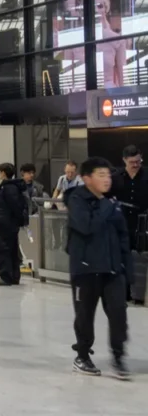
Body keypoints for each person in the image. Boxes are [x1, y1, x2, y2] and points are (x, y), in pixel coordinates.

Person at [66, 157, 132, 380]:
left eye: (108, 174)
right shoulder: (76, 200)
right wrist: (106, 205)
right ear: (86, 179)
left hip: (113, 270)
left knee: (118, 314)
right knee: (84, 315)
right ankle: (82, 356)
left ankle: (118, 357)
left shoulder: (111, 203)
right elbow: (86, 226)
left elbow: (123, 237)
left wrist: (126, 269)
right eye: (101, 174)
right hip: (85, 270)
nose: (107, 179)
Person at [0, 162, 29, 286]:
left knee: (3, 249)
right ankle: (14, 276)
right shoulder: (9, 186)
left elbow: (15, 206)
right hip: (9, 223)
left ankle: (6, 276)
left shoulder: (8, 187)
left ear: (3, 173)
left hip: (7, 223)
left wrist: (14, 220)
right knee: (12, 250)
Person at [112, 145, 148, 240]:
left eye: (138, 161)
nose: (135, 165)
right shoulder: (116, 177)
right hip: (121, 223)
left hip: (143, 223)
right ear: (124, 160)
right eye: (132, 162)